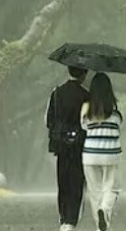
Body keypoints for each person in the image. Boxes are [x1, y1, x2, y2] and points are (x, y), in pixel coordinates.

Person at [46, 65, 88, 230]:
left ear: (68, 71)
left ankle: (63, 219)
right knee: (77, 181)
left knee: (63, 181)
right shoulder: (87, 95)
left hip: (61, 145)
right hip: (79, 145)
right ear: (84, 74)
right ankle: (72, 219)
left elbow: (49, 121)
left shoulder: (56, 93)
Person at [80, 72, 122, 231]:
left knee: (95, 191)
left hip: (90, 154)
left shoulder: (86, 108)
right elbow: (119, 125)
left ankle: (100, 225)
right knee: (112, 188)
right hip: (111, 155)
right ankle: (104, 211)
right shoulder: (116, 109)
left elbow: (83, 127)